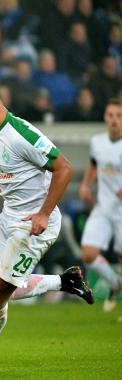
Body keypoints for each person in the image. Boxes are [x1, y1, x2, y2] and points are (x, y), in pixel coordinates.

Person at [0, 77, 94, 371]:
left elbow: (64, 168)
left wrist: (43, 214)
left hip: (33, 226)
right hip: (7, 219)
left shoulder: (21, 134)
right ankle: (64, 281)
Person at [79, 98, 122, 313]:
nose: (114, 120)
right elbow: (94, 164)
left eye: (119, 116)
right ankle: (115, 284)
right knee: (88, 253)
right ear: (105, 118)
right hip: (104, 207)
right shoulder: (97, 142)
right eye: (111, 115)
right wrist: (86, 185)